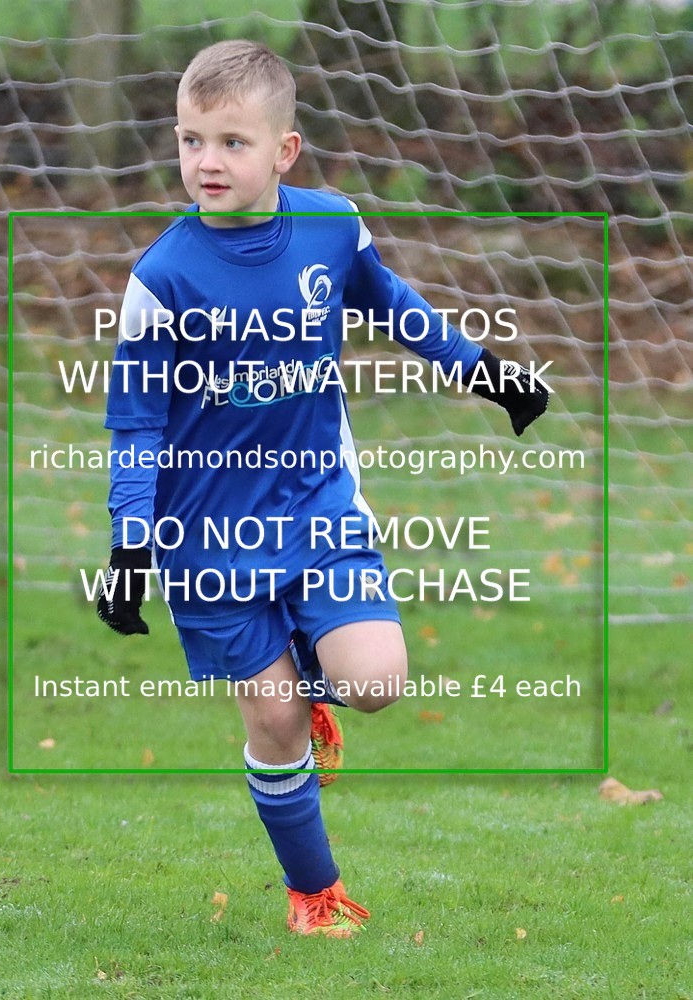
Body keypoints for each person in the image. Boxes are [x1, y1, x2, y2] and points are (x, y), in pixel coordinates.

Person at [97, 39, 548, 938]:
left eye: (231, 142)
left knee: (376, 681)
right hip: (204, 533)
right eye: (191, 140)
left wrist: (486, 372)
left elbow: (394, 306)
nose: (206, 162)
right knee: (273, 721)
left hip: (316, 503)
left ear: (284, 151)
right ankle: (315, 895)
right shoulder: (162, 276)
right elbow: (138, 424)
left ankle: (317, 698)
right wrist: (128, 543)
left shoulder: (332, 227)